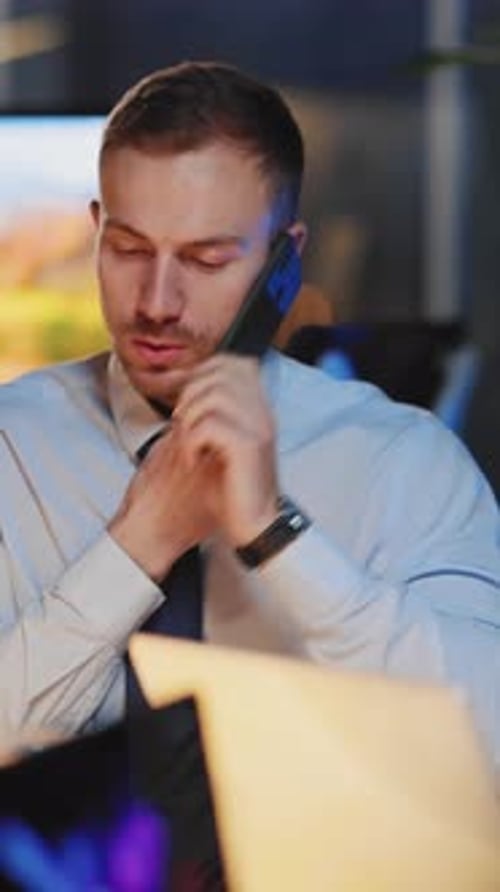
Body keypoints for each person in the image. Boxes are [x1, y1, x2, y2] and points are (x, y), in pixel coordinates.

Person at [0, 62, 499, 775]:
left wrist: (277, 537)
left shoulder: (405, 461)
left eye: (206, 260)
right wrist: (140, 542)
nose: (157, 302)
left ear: (283, 266)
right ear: (95, 231)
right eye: (130, 249)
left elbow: (486, 746)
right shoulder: (9, 445)